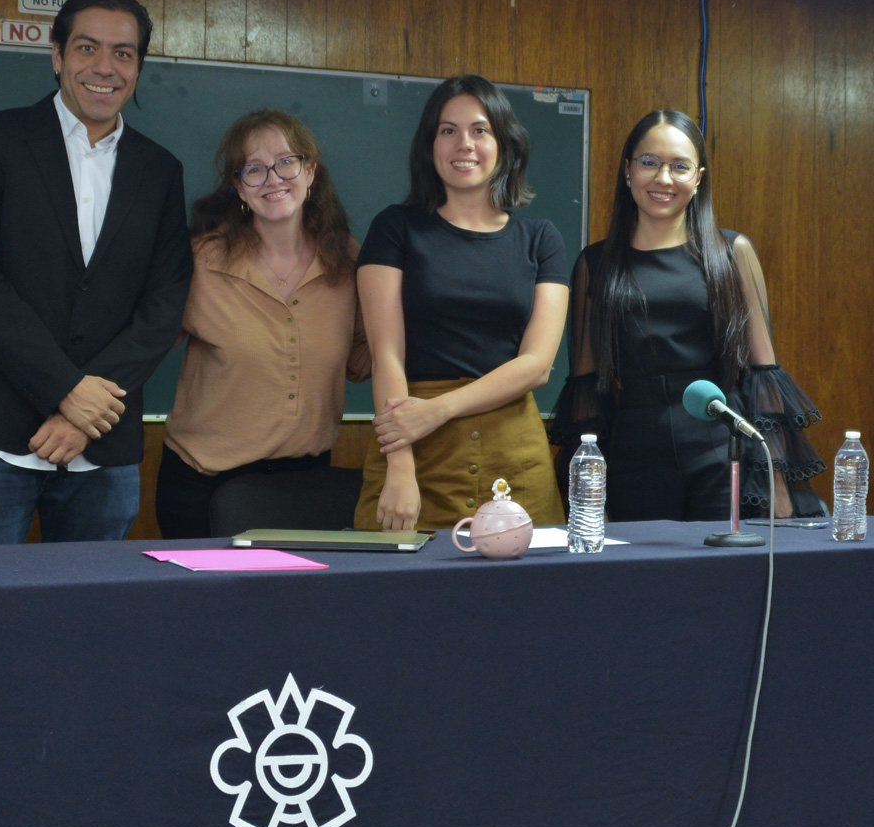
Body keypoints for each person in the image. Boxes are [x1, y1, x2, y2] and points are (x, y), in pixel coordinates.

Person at [0, 0, 193, 545]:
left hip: (103, 448)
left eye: (123, 53)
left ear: (139, 66)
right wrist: (66, 390)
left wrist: (85, 413)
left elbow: (165, 302)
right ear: (56, 55)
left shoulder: (161, 170)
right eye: (87, 48)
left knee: (88, 621)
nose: (105, 67)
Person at [550, 109, 824, 521]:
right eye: (649, 162)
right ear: (628, 170)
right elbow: (587, 386)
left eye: (679, 166)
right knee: (643, 581)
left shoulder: (732, 253)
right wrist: (590, 492)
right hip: (633, 455)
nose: (663, 178)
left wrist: (778, 484)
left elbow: (764, 372)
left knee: (725, 578)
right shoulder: (595, 263)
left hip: (721, 449)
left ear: (698, 178)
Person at [353, 74, 570, 531]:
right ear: (429, 145)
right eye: (447, 130)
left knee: (527, 600)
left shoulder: (541, 239)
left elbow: (537, 366)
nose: (463, 144)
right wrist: (401, 470)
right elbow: (386, 353)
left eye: (479, 130)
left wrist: (439, 409)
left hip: (514, 451)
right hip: (412, 443)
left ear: (504, 143)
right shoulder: (395, 228)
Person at [155, 111, 369, 539]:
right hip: (204, 488)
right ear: (238, 186)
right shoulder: (201, 261)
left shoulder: (348, 260)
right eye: (253, 169)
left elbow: (366, 358)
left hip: (305, 489)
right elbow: (142, 341)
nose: (273, 178)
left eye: (286, 162)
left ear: (310, 171)